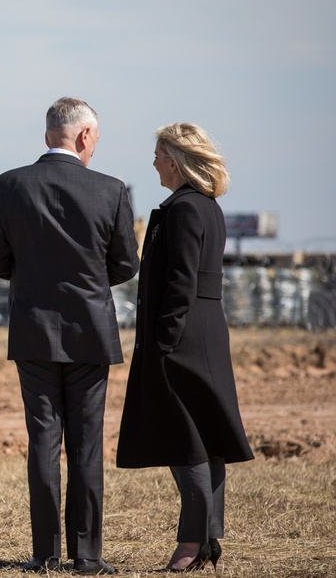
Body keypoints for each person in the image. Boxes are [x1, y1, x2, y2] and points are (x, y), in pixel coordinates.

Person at [0, 97, 139, 575]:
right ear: (85, 136)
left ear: (50, 133)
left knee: (43, 442)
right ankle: (87, 555)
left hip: (33, 329)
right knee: (86, 443)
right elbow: (127, 263)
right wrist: (86, 282)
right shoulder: (109, 189)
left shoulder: (9, 185)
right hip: (90, 330)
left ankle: (45, 554)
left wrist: (32, 277)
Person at [116, 123, 253, 572]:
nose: (153, 161)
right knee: (205, 438)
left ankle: (191, 544)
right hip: (203, 331)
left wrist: (164, 340)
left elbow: (180, 283)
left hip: (183, 336)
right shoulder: (204, 206)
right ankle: (209, 539)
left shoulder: (184, 210)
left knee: (187, 442)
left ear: (174, 161)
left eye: (157, 154)